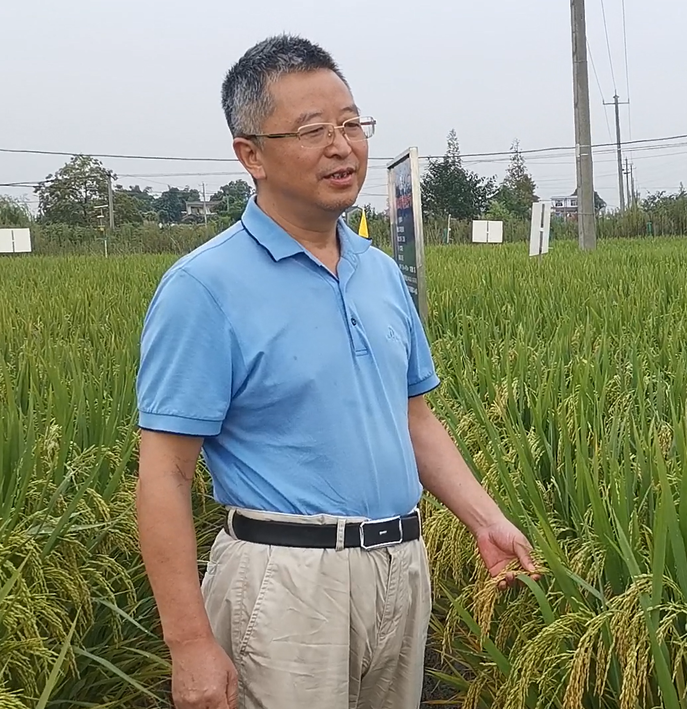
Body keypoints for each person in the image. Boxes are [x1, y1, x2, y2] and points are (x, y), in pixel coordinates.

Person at [135, 34, 539, 709]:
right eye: (312, 130)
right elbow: (165, 475)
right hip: (287, 581)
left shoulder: (379, 274)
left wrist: (484, 517)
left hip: (400, 565)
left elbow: (413, 418)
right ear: (251, 154)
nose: (341, 146)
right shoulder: (203, 288)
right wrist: (189, 643)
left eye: (352, 124)